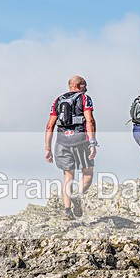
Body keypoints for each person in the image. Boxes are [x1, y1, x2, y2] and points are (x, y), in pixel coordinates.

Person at [45, 76, 97, 219]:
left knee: (68, 176)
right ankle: (76, 195)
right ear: (79, 85)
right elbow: (89, 120)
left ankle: (67, 211)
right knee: (87, 174)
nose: (86, 88)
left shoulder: (58, 100)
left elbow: (50, 125)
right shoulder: (85, 98)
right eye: (84, 85)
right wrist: (92, 142)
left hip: (62, 142)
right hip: (80, 140)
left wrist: (48, 148)